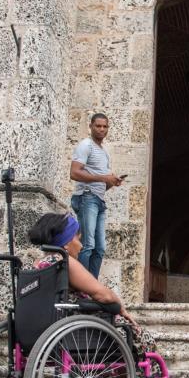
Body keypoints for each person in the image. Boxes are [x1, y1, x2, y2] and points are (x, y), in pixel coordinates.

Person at [27, 212, 185, 378]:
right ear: (66, 243)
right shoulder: (65, 262)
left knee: (118, 329)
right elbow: (103, 294)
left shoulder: (39, 265)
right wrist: (121, 309)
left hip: (43, 331)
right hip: (76, 333)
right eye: (77, 239)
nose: (81, 245)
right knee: (138, 335)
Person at [70, 113, 124, 279]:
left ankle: (91, 286)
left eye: (105, 126)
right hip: (86, 198)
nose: (101, 129)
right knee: (87, 245)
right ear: (91, 126)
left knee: (100, 248)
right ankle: (81, 285)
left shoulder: (104, 151)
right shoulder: (86, 145)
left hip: (99, 200)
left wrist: (111, 182)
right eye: (98, 126)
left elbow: (102, 183)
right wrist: (104, 178)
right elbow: (74, 173)